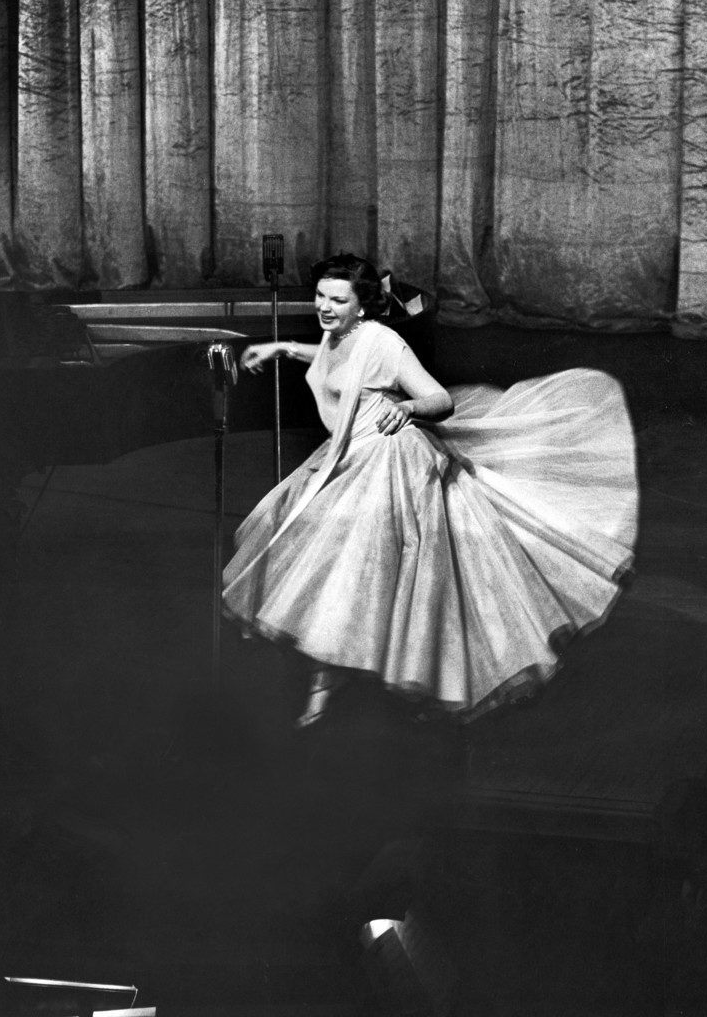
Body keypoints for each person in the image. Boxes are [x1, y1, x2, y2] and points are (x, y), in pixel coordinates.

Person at [223, 253, 638, 728]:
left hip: (389, 460)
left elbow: (440, 400)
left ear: (363, 306)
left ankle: (392, 680)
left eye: (338, 299)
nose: (325, 306)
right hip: (348, 456)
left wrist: (409, 409)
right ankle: (330, 674)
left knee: (375, 571)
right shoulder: (339, 333)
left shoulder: (385, 342)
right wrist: (282, 348)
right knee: (337, 566)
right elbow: (337, 363)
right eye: (320, 296)